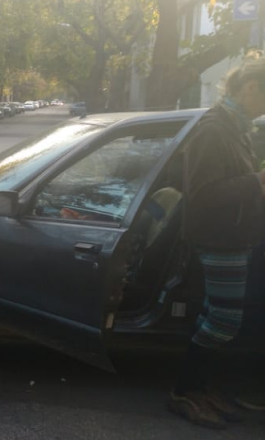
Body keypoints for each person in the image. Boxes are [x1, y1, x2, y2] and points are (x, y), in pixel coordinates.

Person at [168, 52, 265, 429]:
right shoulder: (213, 128)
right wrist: (256, 182)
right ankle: (182, 391)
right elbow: (204, 195)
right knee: (223, 322)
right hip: (220, 239)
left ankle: (198, 387)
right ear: (252, 88)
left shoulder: (236, 126)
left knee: (214, 315)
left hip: (235, 236)